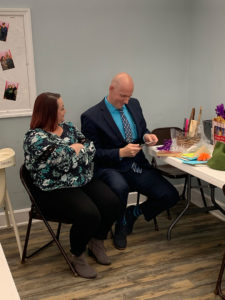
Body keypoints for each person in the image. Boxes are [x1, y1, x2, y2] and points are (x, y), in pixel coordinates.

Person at [23, 92, 120, 279]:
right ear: (49, 113)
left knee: (111, 202)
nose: (65, 111)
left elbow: (90, 148)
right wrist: (73, 151)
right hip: (52, 189)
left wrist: (73, 153)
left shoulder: (68, 127)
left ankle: (97, 241)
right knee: (89, 214)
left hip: (80, 179)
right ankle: (78, 254)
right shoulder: (34, 138)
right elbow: (59, 161)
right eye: (61, 108)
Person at [81, 72, 180, 250]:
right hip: (111, 168)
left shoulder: (134, 104)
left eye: (129, 96)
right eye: (122, 96)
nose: (126, 101)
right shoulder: (91, 116)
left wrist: (146, 135)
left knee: (170, 195)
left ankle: (133, 213)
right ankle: (120, 225)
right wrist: (120, 152)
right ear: (111, 89)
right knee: (120, 188)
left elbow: (141, 129)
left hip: (136, 165)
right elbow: (92, 154)